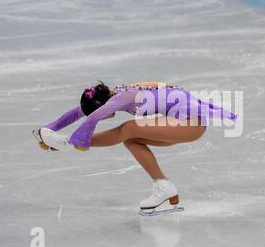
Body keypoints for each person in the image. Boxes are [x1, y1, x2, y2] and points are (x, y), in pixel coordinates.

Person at [33, 81, 238, 215]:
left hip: (190, 123)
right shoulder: (115, 93)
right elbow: (81, 112)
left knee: (129, 128)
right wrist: (48, 129)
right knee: (132, 138)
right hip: (181, 121)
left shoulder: (122, 98)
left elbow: (94, 116)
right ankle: (164, 187)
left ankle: (66, 142)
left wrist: (69, 141)